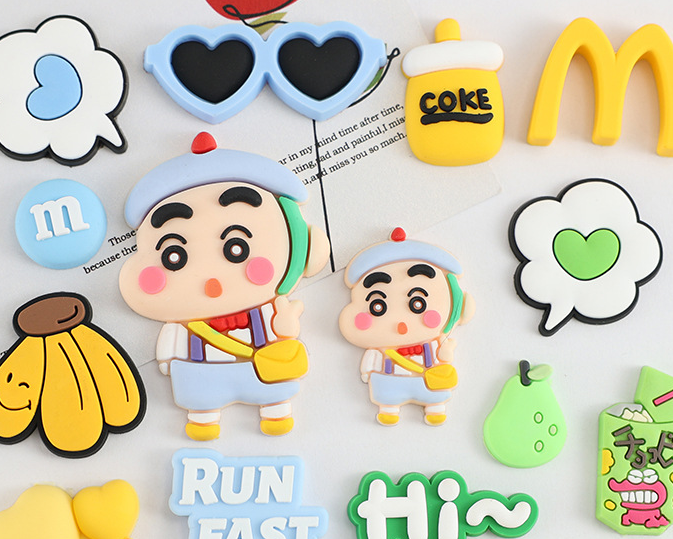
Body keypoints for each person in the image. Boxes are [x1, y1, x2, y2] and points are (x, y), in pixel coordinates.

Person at [120, 132, 329, 439]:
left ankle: (275, 410)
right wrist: (168, 357)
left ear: (298, 244)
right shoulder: (180, 324)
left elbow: (284, 332)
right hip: (202, 374)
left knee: (272, 391)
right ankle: (203, 419)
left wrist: (286, 323)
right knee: (202, 399)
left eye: (236, 248)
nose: (211, 281)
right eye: (174, 256)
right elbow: (169, 351)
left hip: (258, 371)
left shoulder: (267, 309)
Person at [339, 227, 474, 425]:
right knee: (388, 396)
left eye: (417, 303)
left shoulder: (434, 343)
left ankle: (435, 408)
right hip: (390, 381)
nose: (400, 323)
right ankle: (389, 410)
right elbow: (370, 364)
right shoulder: (378, 349)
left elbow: (444, 356)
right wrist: (367, 372)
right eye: (378, 306)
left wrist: (447, 350)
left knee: (434, 394)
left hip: (426, 381)